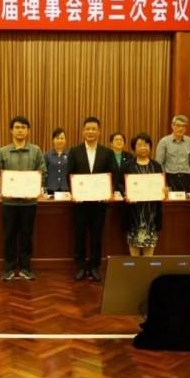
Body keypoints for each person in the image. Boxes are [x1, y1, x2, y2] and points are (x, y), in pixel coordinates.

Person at [0, 116, 46, 281]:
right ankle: (9, 268)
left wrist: (34, 186)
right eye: (17, 127)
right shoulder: (2, 151)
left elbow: (42, 172)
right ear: (11, 130)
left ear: (28, 131)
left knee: (26, 235)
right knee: (9, 235)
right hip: (9, 202)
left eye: (23, 127)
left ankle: (25, 268)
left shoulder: (36, 151)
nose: (20, 130)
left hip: (29, 202)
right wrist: (3, 185)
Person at [67, 116, 117, 281]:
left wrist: (108, 192)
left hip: (99, 203)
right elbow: (69, 175)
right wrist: (74, 193)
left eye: (93, 129)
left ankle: (95, 266)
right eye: (87, 128)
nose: (90, 132)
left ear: (99, 131)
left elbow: (113, 175)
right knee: (79, 234)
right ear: (83, 131)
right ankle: (80, 266)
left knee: (97, 235)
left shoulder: (107, 153)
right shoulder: (74, 152)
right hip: (80, 203)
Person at [120, 133, 164, 256]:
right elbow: (119, 184)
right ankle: (136, 274)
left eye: (146, 145)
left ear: (150, 147)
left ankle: (147, 274)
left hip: (152, 214)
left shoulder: (156, 166)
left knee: (149, 251)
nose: (143, 148)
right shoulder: (127, 166)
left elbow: (161, 185)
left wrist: (163, 190)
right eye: (139, 145)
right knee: (134, 250)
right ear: (134, 148)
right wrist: (126, 193)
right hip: (133, 213)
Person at [156, 114, 190, 193]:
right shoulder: (164, 142)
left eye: (184, 126)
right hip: (170, 177)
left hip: (186, 178)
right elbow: (159, 164)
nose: (181, 128)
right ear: (172, 126)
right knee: (172, 204)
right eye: (178, 125)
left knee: (186, 204)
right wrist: (163, 182)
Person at [45, 128, 69, 194]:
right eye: (57, 138)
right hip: (51, 189)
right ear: (53, 140)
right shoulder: (47, 155)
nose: (59, 141)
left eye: (62, 138)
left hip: (66, 189)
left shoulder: (70, 154)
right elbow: (44, 172)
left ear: (65, 140)